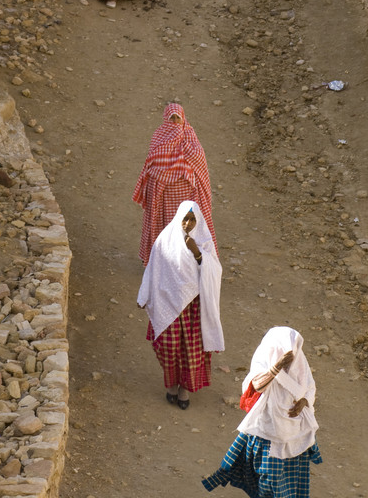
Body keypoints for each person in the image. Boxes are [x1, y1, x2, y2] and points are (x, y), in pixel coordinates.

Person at [202, 327, 322, 497]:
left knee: (291, 482)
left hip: (294, 433)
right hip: (267, 432)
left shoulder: (300, 363)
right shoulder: (264, 359)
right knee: (267, 481)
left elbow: (310, 387)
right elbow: (255, 387)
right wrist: (277, 366)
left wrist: (304, 402)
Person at [137, 200, 224, 410]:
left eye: (193, 219)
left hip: (194, 308)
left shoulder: (204, 242)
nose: (188, 223)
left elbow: (214, 270)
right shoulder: (165, 240)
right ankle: (171, 386)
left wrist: (197, 253)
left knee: (191, 351)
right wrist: (144, 295)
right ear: (178, 218)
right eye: (185, 218)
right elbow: (153, 268)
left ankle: (184, 389)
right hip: (169, 304)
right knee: (168, 347)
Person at [133, 102, 216, 266]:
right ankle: (163, 264)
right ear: (166, 119)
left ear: (183, 118)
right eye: (172, 118)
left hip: (188, 195)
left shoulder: (190, 137)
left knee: (189, 229)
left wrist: (183, 153)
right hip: (163, 195)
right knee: (166, 229)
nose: (176, 122)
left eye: (178, 118)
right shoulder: (159, 137)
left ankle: (193, 264)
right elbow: (153, 162)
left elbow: (199, 159)